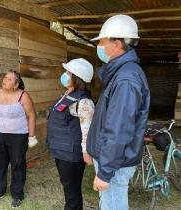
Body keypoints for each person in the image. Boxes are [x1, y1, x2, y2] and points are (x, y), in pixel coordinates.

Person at [87, 14, 150, 210]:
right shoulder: (121, 73)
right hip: (112, 160)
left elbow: (118, 129)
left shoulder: (125, 79)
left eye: (102, 41)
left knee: (113, 205)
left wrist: (105, 173)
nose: (100, 46)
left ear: (117, 43)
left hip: (114, 164)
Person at [46, 58, 95, 210]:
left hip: (72, 154)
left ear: (77, 77)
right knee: (67, 186)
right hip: (61, 150)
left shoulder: (84, 101)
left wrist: (86, 152)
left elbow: (87, 129)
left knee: (72, 190)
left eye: (68, 72)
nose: (65, 75)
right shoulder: (67, 95)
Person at [0, 70, 37, 208]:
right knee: (1, 163)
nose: (5, 80)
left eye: (9, 79)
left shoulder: (23, 96)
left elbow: (31, 116)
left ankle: (17, 194)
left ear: (16, 84)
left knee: (17, 164)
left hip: (18, 136)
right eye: (5, 78)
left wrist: (32, 136)